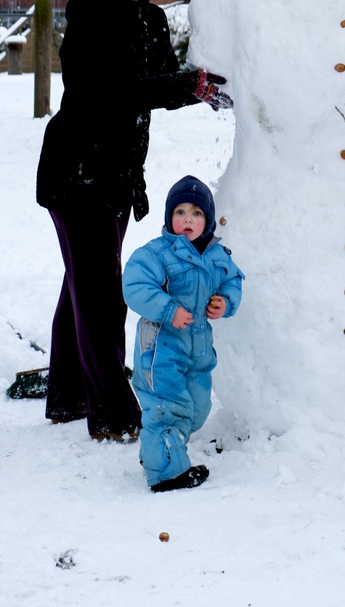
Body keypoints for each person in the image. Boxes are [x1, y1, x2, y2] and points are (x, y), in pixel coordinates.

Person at [36, 0, 230, 442]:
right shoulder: (89, 18)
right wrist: (182, 85)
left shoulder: (150, 16)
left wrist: (203, 88)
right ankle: (115, 415)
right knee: (100, 293)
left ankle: (69, 395)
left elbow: (162, 83)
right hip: (78, 170)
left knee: (83, 282)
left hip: (117, 174)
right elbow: (110, 92)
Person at [123, 175, 244, 492]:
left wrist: (225, 302)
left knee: (198, 406)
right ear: (169, 218)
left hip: (199, 350)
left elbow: (233, 281)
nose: (188, 219)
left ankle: (157, 450)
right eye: (180, 212)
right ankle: (166, 473)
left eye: (196, 213)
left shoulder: (218, 256)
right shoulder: (157, 254)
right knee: (168, 407)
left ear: (208, 220)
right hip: (161, 349)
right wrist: (167, 309)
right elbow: (135, 285)